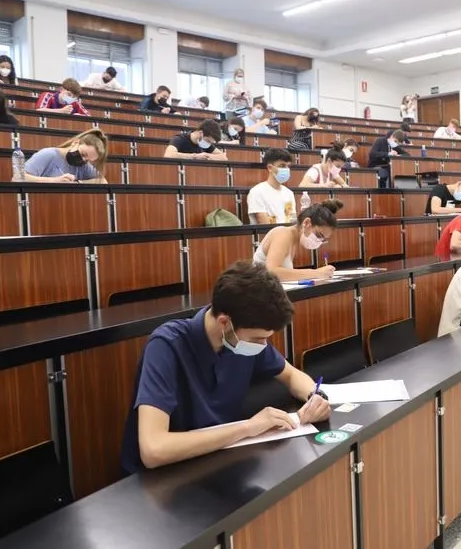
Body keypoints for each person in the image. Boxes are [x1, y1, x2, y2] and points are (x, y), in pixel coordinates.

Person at [120, 261, 332, 474]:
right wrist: (248, 427)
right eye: (258, 338)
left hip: (218, 461)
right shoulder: (166, 346)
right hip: (164, 479)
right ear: (224, 323)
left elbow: (291, 375)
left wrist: (314, 395)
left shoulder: (242, 339)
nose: (262, 346)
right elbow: (154, 450)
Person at [253, 201, 342, 281]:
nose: (319, 241)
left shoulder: (294, 239)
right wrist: (317, 273)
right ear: (307, 223)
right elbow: (272, 272)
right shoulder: (283, 234)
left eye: (323, 240)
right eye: (319, 235)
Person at [21, 129, 108, 184]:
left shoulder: (84, 166)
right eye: (83, 154)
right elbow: (18, 178)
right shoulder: (49, 154)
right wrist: (55, 181)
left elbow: (102, 181)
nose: (83, 160)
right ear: (75, 143)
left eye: (88, 160)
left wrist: (78, 182)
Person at [248, 148, 296, 225]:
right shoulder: (257, 192)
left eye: (288, 166)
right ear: (270, 168)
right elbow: (264, 223)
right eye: (282, 165)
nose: (286, 169)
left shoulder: (289, 193)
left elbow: (293, 220)